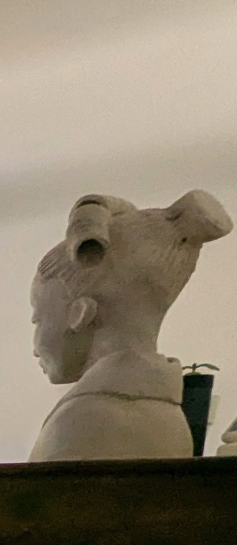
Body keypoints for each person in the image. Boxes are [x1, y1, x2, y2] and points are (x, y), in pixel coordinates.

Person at [29, 189, 229, 461]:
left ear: (80, 313)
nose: (34, 348)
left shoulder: (91, 419)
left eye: (38, 319)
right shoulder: (163, 411)